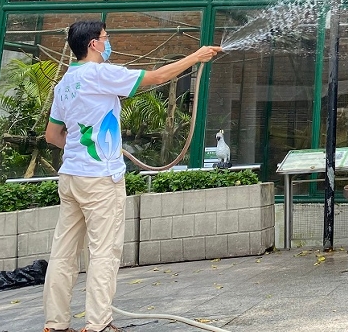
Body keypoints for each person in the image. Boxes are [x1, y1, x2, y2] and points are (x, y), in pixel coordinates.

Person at [42, 20, 220, 332]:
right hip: (100, 180)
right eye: (106, 37)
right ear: (94, 44)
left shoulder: (65, 83)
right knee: (104, 253)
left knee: (63, 254)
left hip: (71, 177)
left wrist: (83, 143)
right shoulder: (99, 73)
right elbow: (157, 77)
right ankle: (98, 324)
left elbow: (52, 135)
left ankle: (55, 324)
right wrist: (196, 56)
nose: (108, 42)